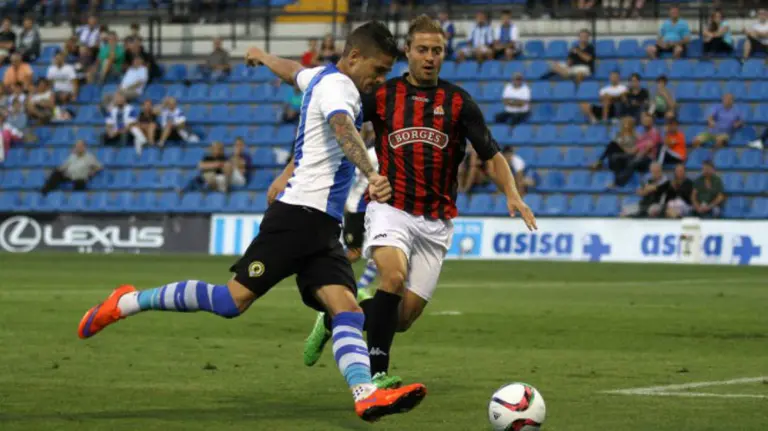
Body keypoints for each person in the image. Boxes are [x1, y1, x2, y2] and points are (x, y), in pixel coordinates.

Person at [77, 21, 427, 423]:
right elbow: (343, 128)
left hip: (321, 225)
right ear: (353, 58)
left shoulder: (322, 76)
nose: (379, 80)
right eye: (378, 70)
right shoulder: (340, 89)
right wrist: (372, 172)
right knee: (230, 302)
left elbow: (293, 69)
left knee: (347, 310)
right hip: (297, 217)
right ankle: (125, 302)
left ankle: (365, 394)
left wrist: (262, 57)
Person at [294, 15, 536, 388]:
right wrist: (293, 170)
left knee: (402, 318)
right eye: (422, 49)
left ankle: (333, 318)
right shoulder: (381, 96)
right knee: (392, 275)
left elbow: (490, 154)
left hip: (437, 222)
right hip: (391, 208)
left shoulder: (458, 102)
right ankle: (377, 377)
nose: (429, 57)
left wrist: (513, 194)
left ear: (444, 54)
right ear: (407, 52)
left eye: (436, 50)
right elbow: (336, 125)